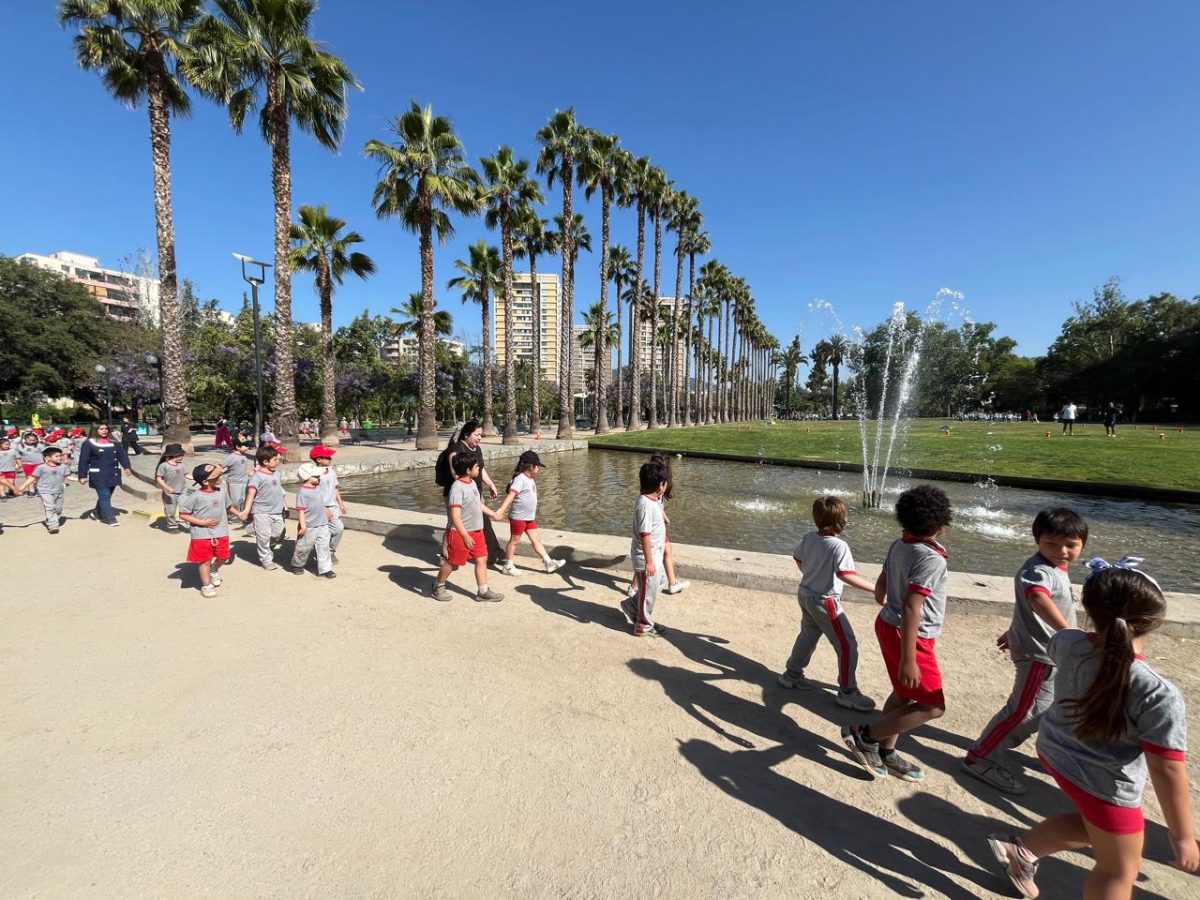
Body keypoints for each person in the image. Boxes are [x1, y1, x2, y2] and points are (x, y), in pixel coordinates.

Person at [988, 559, 1198, 899]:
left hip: (1057, 754)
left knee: (1096, 826)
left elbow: (1057, 640)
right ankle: (1022, 850)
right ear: (1155, 621)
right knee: (1118, 870)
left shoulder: (1067, 642)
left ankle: (1021, 850)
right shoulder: (1158, 693)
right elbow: (1168, 768)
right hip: (1105, 782)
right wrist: (1183, 835)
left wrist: (1014, 636)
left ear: (1087, 608)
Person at [964, 507, 1088, 795]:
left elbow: (1030, 606)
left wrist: (1016, 630)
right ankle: (980, 757)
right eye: (1052, 544)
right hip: (1040, 654)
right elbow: (1036, 598)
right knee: (1025, 710)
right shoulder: (1038, 570)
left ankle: (1052, 751)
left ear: (1082, 544)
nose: (1062, 551)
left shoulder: (1056, 569)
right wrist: (1068, 632)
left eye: (1071, 545)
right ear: (1037, 541)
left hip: (1050, 650)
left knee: (1047, 708)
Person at [841, 484, 953, 783]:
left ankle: (885, 749)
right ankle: (866, 735)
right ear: (941, 527)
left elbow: (884, 581)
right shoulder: (932, 559)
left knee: (904, 693)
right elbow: (912, 605)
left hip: (890, 625)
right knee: (933, 706)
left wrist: (881, 594)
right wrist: (909, 659)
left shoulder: (900, 544)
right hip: (910, 637)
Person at [777, 496, 879, 712]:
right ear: (842, 520)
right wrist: (875, 589)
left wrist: (811, 572)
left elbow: (798, 559)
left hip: (805, 593)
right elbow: (845, 574)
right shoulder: (839, 546)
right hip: (825, 600)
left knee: (808, 634)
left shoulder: (809, 538)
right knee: (847, 644)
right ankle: (848, 692)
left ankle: (792, 674)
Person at [431, 452, 505, 602]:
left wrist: (492, 514)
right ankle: (438, 585)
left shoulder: (471, 484)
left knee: (481, 559)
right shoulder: (457, 488)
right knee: (453, 562)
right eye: (477, 466)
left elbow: (477, 504)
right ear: (468, 470)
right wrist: (464, 535)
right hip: (459, 533)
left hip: (476, 531)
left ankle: (483, 591)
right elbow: (455, 516)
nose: (479, 469)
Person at [619, 460, 671, 638]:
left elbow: (657, 510)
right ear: (661, 486)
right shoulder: (645, 505)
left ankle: (633, 606)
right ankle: (643, 625)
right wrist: (649, 562)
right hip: (646, 556)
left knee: (660, 582)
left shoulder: (653, 499)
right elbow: (645, 534)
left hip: (655, 553)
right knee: (648, 593)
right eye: (665, 483)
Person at [494, 450, 565, 575]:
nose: (538, 469)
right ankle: (508, 566)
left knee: (536, 540)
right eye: (537, 466)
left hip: (529, 517)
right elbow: (511, 494)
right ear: (531, 466)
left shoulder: (529, 479)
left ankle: (549, 562)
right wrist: (502, 509)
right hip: (519, 517)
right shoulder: (520, 479)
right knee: (514, 541)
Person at [442, 421, 504, 566]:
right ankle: (447, 555)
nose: (479, 438)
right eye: (477, 434)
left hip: (475, 492)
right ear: (466, 434)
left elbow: (480, 468)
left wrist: (490, 484)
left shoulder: (476, 449)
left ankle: (492, 553)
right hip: (459, 495)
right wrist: (470, 492)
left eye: (480, 435)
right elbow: (456, 475)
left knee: (483, 522)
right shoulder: (456, 451)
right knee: (453, 523)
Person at [178, 463, 237, 598]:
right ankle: (206, 585)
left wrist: (239, 514)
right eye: (217, 476)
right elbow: (183, 514)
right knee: (204, 560)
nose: (220, 478)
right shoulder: (195, 496)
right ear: (205, 481)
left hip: (221, 532)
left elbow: (228, 507)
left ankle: (214, 569)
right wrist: (203, 523)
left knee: (224, 556)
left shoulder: (222, 492)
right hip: (201, 535)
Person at [239, 445, 286, 570]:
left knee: (278, 532)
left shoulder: (276, 474)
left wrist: (284, 505)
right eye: (275, 459)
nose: (278, 461)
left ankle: (262, 541)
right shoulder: (257, 476)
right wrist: (247, 510)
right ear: (265, 462)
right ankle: (266, 559)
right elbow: (251, 493)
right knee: (264, 536)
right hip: (261, 511)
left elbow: (279, 492)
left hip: (277, 511)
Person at [76, 423, 131, 526]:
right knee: (104, 495)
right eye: (101, 429)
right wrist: (82, 475)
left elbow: (122, 455)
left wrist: (127, 467)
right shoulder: (88, 443)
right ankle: (110, 518)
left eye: (106, 429)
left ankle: (96, 513)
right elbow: (83, 460)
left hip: (112, 473)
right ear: (95, 430)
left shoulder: (114, 442)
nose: (104, 431)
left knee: (106, 496)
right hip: (98, 475)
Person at [291, 462, 336, 578]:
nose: (319, 478)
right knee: (304, 546)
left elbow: (320, 502)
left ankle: (326, 568)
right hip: (310, 525)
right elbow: (300, 510)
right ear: (307, 477)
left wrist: (326, 510)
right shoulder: (302, 492)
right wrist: (303, 526)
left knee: (323, 546)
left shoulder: (317, 488)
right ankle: (298, 564)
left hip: (323, 523)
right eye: (316, 476)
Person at [309, 445, 347, 565]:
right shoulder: (313, 474)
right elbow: (312, 492)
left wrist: (341, 504)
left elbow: (335, 489)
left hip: (333, 506)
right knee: (322, 532)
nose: (330, 459)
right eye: (327, 457)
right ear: (318, 459)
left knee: (338, 529)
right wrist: (322, 507)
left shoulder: (331, 472)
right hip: (319, 508)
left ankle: (330, 551)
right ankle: (319, 552)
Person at [17, 445, 68, 533]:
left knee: (58, 508)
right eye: (57, 456)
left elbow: (69, 476)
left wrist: (81, 479)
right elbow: (32, 478)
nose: (60, 457)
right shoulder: (41, 467)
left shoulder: (62, 466)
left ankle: (53, 518)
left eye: (60, 456)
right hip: (45, 491)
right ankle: (53, 525)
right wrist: (21, 488)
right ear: (48, 458)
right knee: (50, 507)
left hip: (59, 490)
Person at [154, 443, 188, 532]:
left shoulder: (182, 465)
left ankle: (189, 522)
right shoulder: (163, 466)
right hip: (169, 493)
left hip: (183, 491)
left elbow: (187, 475)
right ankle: (172, 526)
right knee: (171, 511)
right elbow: (159, 478)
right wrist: (166, 487)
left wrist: (200, 477)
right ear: (176, 455)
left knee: (186, 507)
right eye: (182, 454)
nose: (183, 456)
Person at [222, 439, 254, 528]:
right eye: (245, 446)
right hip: (234, 483)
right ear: (237, 447)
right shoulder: (231, 457)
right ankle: (232, 518)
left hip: (244, 481)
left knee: (242, 500)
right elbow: (220, 466)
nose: (247, 447)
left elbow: (235, 467)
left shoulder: (244, 457)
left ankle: (241, 516)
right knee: (234, 501)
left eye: (247, 445)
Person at [18, 431, 45, 496]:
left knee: (38, 477)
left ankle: (39, 490)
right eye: (29, 440)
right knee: (29, 477)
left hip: (38, 463)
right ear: (25, 439)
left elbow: (44, 453)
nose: (31, 441)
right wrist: (18, 463)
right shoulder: (20, 446)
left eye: (33, 440)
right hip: (26, 464)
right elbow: (18, 455)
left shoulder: (39, 445)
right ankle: (31, 490)